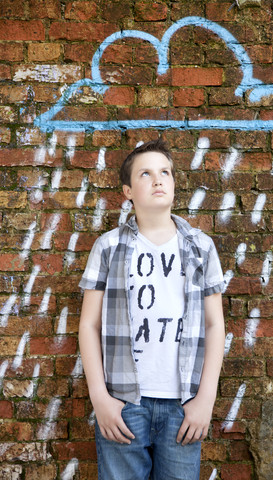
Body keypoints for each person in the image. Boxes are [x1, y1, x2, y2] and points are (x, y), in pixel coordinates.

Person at [78, 138, 225, 480]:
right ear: (128, 191)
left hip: (183, 405)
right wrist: (100, 398)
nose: (158, 180)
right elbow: (89, 325)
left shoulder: (201, 247)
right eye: (145, 174)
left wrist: (205, 400)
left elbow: (215, 325)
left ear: (173, 183)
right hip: (125, 404)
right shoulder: (109, 247)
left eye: (165, 172)